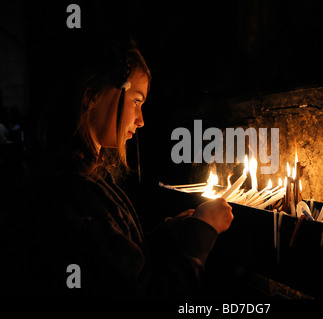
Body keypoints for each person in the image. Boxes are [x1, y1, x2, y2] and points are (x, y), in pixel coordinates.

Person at [0, 38, 233, 297]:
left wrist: (166, 235)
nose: (142, 120)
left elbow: (110, 260)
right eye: (136, 101)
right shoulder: (73, 192)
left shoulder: (84, 179)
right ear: (91, 97)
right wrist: (202, 233)